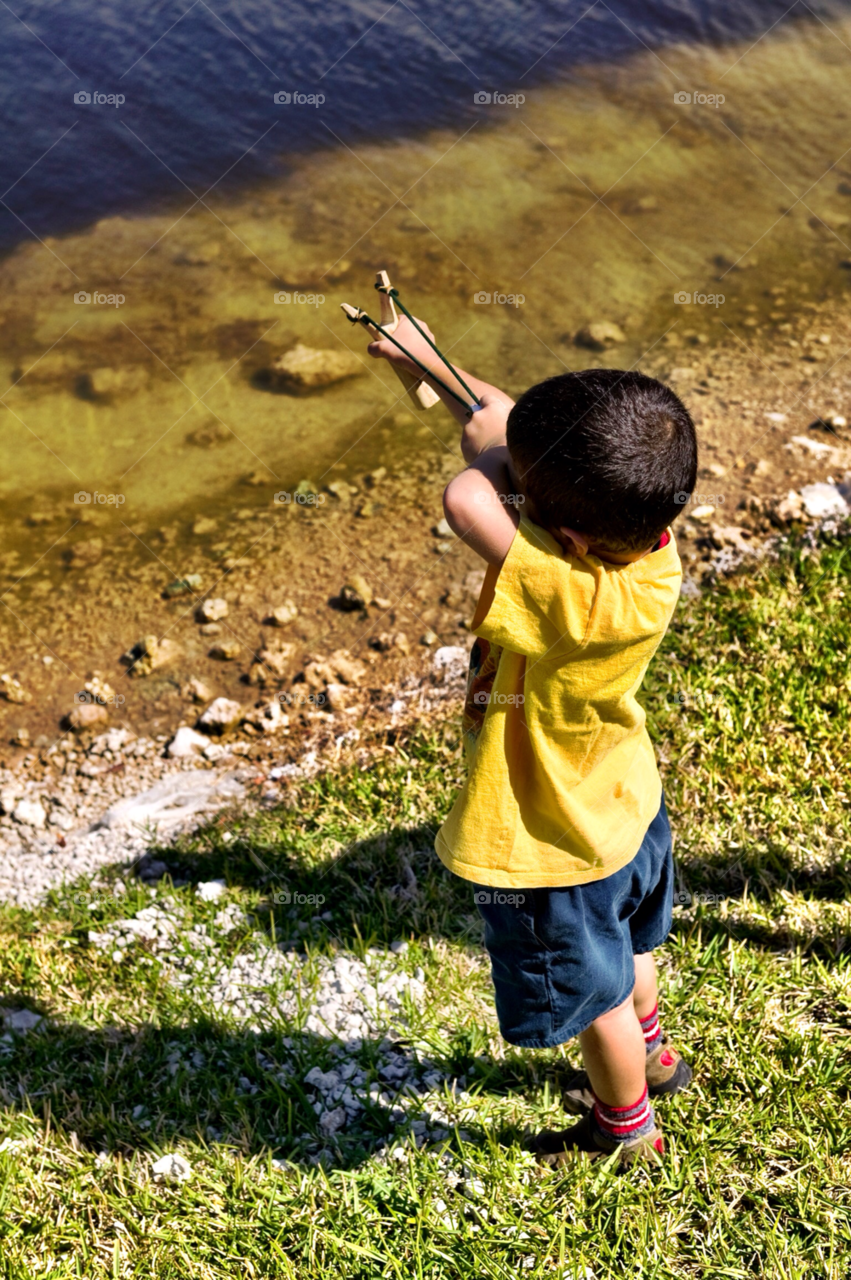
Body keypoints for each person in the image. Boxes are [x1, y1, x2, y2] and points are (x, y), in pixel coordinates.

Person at [366, 314, 697, 1166]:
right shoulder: (649, 550)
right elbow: (507, 434)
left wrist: (493, 455)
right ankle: (654, 1055)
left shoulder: (566, 599)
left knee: (599, 1005)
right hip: (623, 808)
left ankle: (621, 1130)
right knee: (626, 954)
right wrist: (434, 367)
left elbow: (467, 498)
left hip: (558, 846)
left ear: (565, 535)